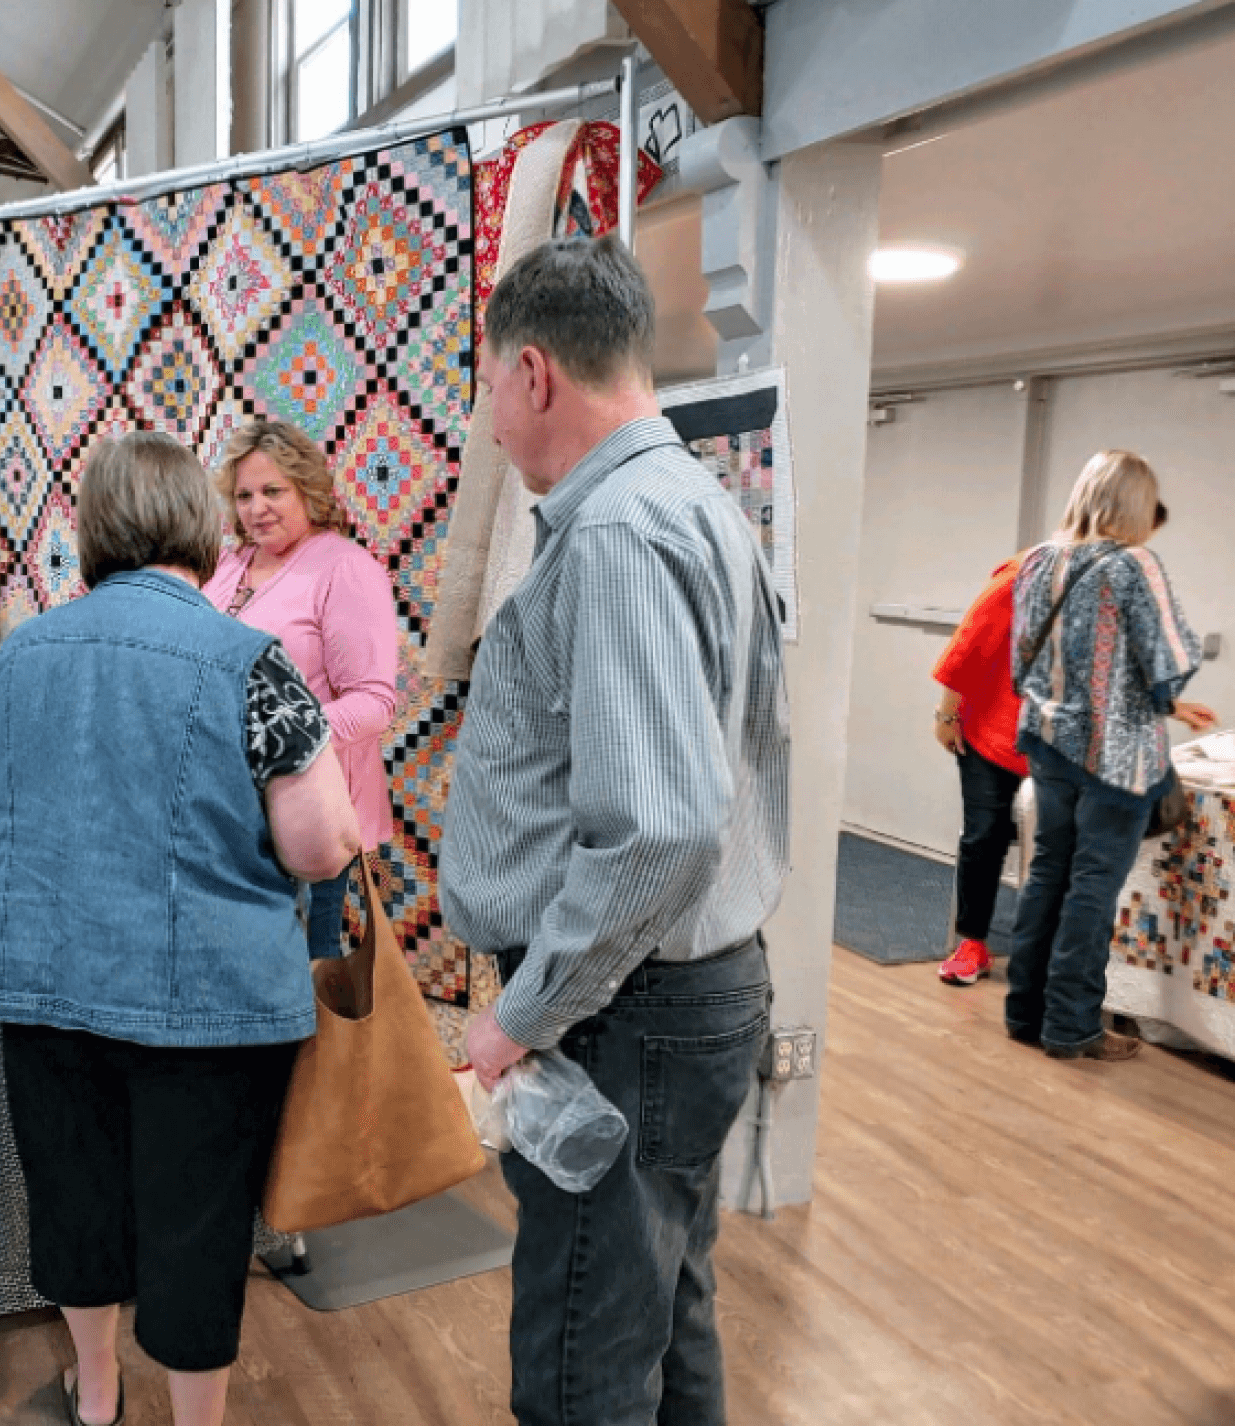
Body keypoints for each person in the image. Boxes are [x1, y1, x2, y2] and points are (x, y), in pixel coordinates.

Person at [0, 431, 362, 1426]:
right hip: (205, 1002)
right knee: (197, 1226)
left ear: (92, 533)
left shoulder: (18, 655)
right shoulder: (250, 663)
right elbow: (316, 848)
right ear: (205, 532)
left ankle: (96, 1397)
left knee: (74, 1199)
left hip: (44, 982)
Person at [442, 237, 790, 1426]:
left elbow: (657, 827)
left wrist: (521, 1012)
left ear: (534, 373)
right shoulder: (690, 501)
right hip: (675, 996)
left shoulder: (618, 533)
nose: (491, 422)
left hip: (625, 1012)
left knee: (585, 1358)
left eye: (491, 385)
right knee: (658, 1310)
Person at [1006, 452, 1215, 1061]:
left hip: (1048, 741)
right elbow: (1169, 659)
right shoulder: (1133, 564)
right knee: (1093, 888)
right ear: (1136, 506)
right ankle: (1071, 1027)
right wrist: (1169, 699)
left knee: (1046, 874)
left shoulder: (1039, 560)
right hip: (1114, 756)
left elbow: (1028, 658)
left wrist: (1162, 702)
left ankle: (1025, 1013)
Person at [202, 418, 399, 958]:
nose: (256, 508)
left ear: (306, 490)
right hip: (237, 806)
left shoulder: (345, 568)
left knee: (306, 972)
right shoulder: (228, 566)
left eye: (272, 491)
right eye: (244, 495)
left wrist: (276, 743)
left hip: (311, 803)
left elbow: (375, 702)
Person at [930, 554, 1030, 985]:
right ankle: (971, 943)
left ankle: (1040, 951)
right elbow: (966, 648)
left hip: (1053, 741)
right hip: (991, 729)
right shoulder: (1018, 579)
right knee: (985, 833)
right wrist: (947, 715)